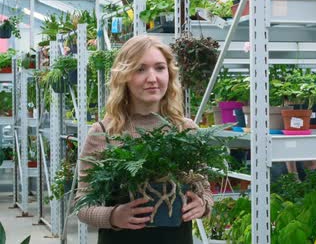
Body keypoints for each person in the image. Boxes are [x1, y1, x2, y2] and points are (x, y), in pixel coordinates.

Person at [76, 35, 213, 244]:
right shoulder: (104, 132)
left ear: (169, 73)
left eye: (159, 68)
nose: (152, 78)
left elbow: (204, 189)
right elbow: (82, 205)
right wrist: (113, 216)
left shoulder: (185, 130)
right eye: (140, 69)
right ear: (124, 76)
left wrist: (202, 205)